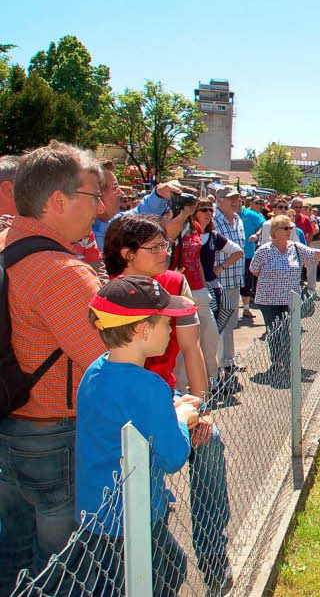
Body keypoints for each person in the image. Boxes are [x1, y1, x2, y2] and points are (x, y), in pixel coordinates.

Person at [102, 214, 234, 591]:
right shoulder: (110, 297)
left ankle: (212, 553)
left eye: (165, 244)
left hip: (168, 396)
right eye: (155, 247)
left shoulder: (175, 287)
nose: (165, 251)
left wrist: (201, 407)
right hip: (131, 401)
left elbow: (192, 351)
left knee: (211, 444)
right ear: (126, 254)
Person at [0, 143, 109, 595]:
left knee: (12, 554)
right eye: (93, 194)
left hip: (10, 421)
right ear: (57, 201)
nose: (100, 206)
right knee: (62, 566)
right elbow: (106, 359)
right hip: (52, 435)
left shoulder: (8, 242)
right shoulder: (62, 271)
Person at [77, 275, 200, 596]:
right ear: (141, 329)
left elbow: (125, 407)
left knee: (151, 574)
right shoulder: (150, 386)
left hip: (96, 514)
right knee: (158, 579)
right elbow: (173, 457)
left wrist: (169, 405)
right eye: (165, 323)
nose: (172, 330)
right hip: (136, 516)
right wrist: (182, 417)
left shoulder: (94, 371)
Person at [249, 215, 320, 370]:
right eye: (285, 228)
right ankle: (277, 363)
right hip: (269, 300)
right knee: (275, 332)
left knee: (291, 331)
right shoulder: (264, 251)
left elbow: (314, 253)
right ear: (275, 231)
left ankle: (292, 363)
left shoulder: (296, 248)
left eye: (290, 228)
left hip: (291, 299)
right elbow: (254, 269)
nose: (289, 231)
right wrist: (273, 280)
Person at [212, 187, 248, 378]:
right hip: (219, 280)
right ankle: (220, 365)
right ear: (219, 200)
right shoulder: (214, 220)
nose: (236, 202)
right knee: (220, 323)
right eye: (231, 199)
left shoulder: (238, 220)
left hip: (234, 279)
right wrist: (222, 267)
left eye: (238, 198)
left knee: (231, 323)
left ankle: (228, 360)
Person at [239, 196, 267, 320]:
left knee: (246, 282)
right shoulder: (224, 214)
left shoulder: (250, 214)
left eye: (238, 201)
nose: (236, 204)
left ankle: (245, 308)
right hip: (228, 255)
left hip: (247, 253)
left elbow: (264, 225)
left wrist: (256, 234)